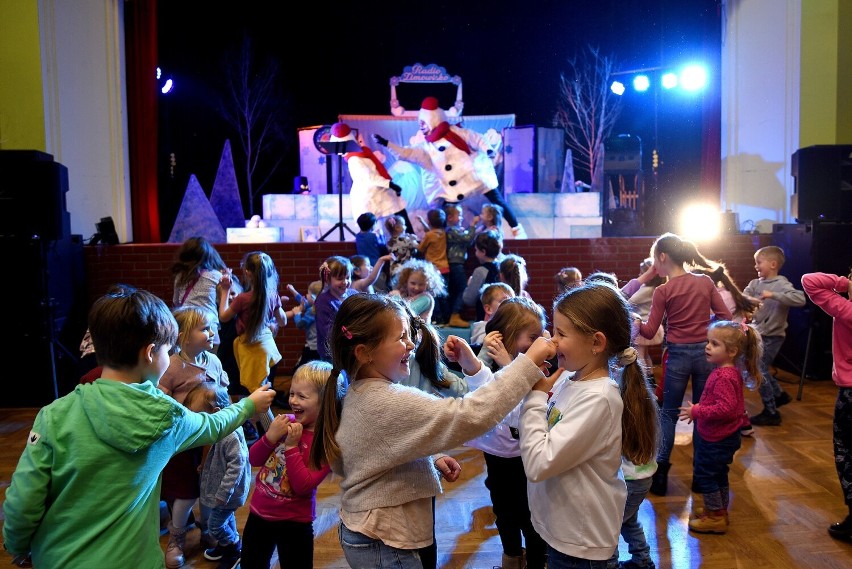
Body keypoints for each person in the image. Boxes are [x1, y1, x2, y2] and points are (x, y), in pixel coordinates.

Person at [1, 288, 275, 569]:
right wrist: (249, 406)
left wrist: (18, 547)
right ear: (150, 353)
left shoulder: (53, 415)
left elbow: (23, 500)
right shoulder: (169, 418)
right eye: (168, 350)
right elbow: (214, 424)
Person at [309, 293, 556, 568]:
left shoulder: (363, 391)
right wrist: (527, 363)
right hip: (386, 541)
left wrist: (431, 457)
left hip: (375, 532)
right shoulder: (389, 400)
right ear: (365, 353)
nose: (411, 344)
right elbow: (473, 414)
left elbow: (385, 449)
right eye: (401, 337)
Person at [519, 282, 659, 568]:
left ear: (596, 343)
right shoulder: (568, 380)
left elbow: (539, 462)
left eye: (561, 333)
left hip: (581, 547)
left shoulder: (600, 398)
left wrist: (534, 396)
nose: (552, 341)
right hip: (563, 532)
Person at [635, 232, 732, 496]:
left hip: (676, 355)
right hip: (705, 354)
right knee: (703, 412)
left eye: (656, 260)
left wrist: (635, 323)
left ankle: (661, 475)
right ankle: (701, 476)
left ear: (663, 257)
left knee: (668, 412)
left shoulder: (663, 291)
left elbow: (649, 330)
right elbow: (725, 317)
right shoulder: (705, 282)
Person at [462, 297, 550, 569]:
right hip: (498, 455)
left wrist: (512, 362)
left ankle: (538, 562)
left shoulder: (538, 369)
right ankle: (512, 557)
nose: (538, 343)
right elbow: (482, 391)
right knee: (503, 512)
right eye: (531, 337)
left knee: (531, 517)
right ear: (507, 336)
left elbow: (527, 406)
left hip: (527, 458)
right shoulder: (499, 365)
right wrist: (473, 357)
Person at [373, 96, 527, 239]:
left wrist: (488, 150)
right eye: (420, 123)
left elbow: (476, 138)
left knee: (497, 200)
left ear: (432, 120)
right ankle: (444, 242)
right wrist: (387, 144)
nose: (421, 126)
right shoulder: (426, 147)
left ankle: (517, 230)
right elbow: (406, 153)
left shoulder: (456, 132)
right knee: (444, 213)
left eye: (423, 122)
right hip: (450, 189)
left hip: (473, 177)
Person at [240, 361, 335, 569]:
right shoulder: (286, 423)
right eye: (292, 393)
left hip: (295, 523)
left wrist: (291, 447)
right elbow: (253, 459)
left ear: (326, 402)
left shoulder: (325, 442)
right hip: (259, 515)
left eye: (302, 396)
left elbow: (303, 486)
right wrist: (270, 436)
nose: (293, 401)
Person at [157, 305, 231, 568]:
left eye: (211, 327)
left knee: (211, 490)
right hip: (184, 443)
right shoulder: (173, 366)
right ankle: (176, 536)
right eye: (204, 329)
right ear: (183, 336)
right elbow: (161, 401)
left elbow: (223, 395)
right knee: (186, 493)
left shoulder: (214, 361)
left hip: (211, 442)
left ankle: (208, 529)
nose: (212, 333)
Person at [678, 320, 763, 534]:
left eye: (714, 344)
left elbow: (724, 408)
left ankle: (715, 517)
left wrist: (697, 411)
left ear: (732, 351)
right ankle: (717, 511)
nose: (707, 347)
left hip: (717, 438)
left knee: (706, 475)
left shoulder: (723, 375)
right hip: (725, 436)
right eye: (708, 342)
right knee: (719, 475)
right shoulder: (729, 372)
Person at [801, 270, 852, 541]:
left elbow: (810, 281)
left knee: (846, 452)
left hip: (850, 395)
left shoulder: (846, 310)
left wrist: (844, 284)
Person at [743, 246, 806, 427]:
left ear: (772, 264)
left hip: (773, 336)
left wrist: (774, 295)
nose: (756, 266)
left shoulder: (782, 283)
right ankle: (779, 394)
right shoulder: (755, 284)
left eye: (758, 262)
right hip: (757, 335)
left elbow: (800, 299)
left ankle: (771, 412)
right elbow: (744, 296)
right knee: (755, 368)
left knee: (758, 369)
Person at [190, 383, 250, 569]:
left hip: (228, 493)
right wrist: (204, 465)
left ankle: (233, 548)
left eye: (200, 417)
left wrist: (224, 493)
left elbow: (236, 466)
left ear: (216, 411)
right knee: (225, 518)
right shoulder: (220, 429)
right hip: (222, 492)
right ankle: (227, 546)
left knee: (215, 525)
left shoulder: (229, 435)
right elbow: (217, 454)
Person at [330, 122, 413, 233]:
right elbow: (370, 178)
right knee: (376, 227)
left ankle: (410, 242)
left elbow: (375, 173)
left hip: (380, 191)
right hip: (371, 195)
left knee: (400, 215)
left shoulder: (362, 153)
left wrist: (389, 184)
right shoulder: (354, 160)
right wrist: (390, 184)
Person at [171, 236, 231, 353]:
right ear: (208, 255)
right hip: (208, 327)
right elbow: (222, 302)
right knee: (209, 365)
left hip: (186, 327)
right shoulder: (216, 276)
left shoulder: (180, 277)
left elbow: (176, 302)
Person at [315, 255, 360, 362]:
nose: (345, 282)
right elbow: (328, 332)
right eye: (340, 278)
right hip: (332, 354)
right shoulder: (323, 301)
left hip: (352, 350)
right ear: (328, 279)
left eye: (347, 277)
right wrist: (351, 334)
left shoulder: (354, 295)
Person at [625, 258, 666, 372]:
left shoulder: (647, 289)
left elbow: (628, 300)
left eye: (642, 273)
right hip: (652, 326)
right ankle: (650, 376)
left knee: (639, 354)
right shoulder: (657, 288)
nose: (639, 275)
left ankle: (642, 379)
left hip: (642, 326)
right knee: (646, 354)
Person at [444, 203, 477, 328]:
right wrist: (473, 225)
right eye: (459, 215)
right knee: (463, 288)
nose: (462, 218)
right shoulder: (451, 230)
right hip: (455, 264)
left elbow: (466, 239)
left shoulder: (455, 230)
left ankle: (452, 315)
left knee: (456, 289)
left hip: (457, 263)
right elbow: (467, 239)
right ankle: (455, 314)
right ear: (450, 218)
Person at [417, 208, 451, 324]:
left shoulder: (429, 235)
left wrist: (413, 243)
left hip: (433, 269)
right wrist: (423, 222)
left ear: (430, 222)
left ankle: (437, 318)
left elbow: (420, 248)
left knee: (433, 295)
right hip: (445, 268)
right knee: (443, 295)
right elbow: (431, 232)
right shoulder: (443, 233)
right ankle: (446, 318)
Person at [390, 258, 448, 325]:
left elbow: (407, 312)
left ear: (428, 285)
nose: (416, 288)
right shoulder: (404, 295)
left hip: (420, 334)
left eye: (421, 284)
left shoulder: (426, 298)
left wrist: (396, 297)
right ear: (406, 281)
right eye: (413, 283)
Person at [462, 229, 504, 321]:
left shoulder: (480, 271)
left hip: (485, 320)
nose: (475, 253)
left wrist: (469, 285)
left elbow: (469, 299)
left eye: (476, 250)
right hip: (503, 318)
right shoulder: (503, 268)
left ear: (483, 251)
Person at [288, 280, 322, 374]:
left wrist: (297, 314)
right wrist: (293, 290)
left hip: (312, 348)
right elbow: (304, 302)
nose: (306, 295)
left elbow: (300, 325)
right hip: (320, 347)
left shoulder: (311, 311)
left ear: (314, 297)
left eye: (308, 294)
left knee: (299, 371)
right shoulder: (320, 307)